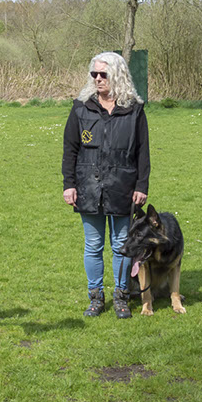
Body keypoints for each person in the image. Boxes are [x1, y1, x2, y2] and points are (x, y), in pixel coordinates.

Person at [61, 51, 149, 320]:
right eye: (94, 74)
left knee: (122, 244)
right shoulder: (81, 108)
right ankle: (96, 297)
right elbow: (70, 149)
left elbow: (143, 152)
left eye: (103, 74)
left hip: (123, 186)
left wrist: (142, 185)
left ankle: (121, 296)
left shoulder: (134, 110)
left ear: (117, 75)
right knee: (93, 245)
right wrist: (69, 184)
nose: (98, 79)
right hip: (88, 186)